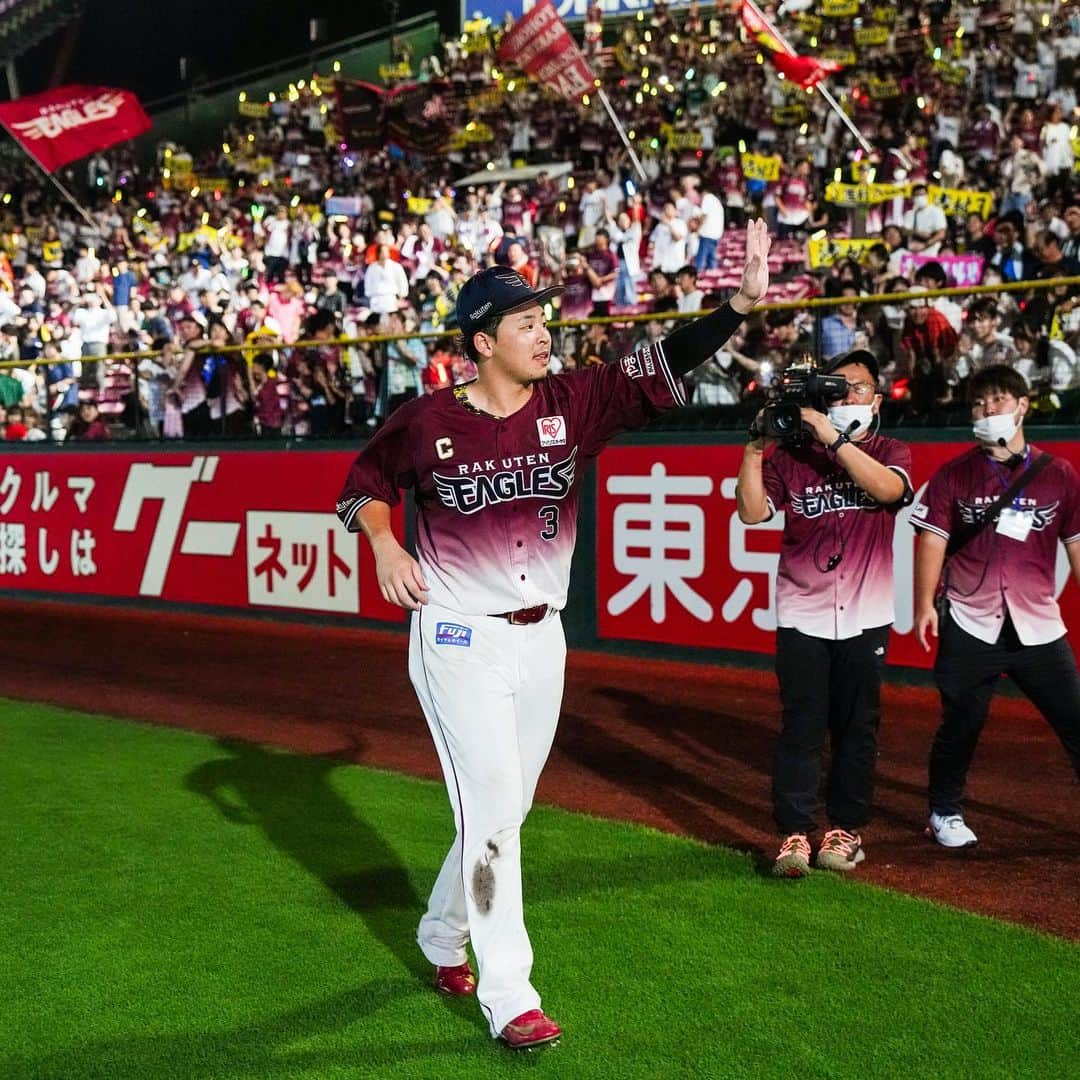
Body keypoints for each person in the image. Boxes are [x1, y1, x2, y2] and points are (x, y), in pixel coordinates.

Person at [336, 222, 771, 1049]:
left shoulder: (574, 401)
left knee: (510, 805)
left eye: (547, 322)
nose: (545, 334)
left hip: (544, 638)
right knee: (496, 811)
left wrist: (737, 306)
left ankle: (438, 935)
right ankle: (510, 995)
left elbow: (664, 363)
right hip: (459, 635)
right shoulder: (427, 420)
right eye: (527, 323)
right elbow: (360, 488)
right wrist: (387, 543)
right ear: (481, 341)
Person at [735, 349, 913, 878]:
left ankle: (844, 828)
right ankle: (794, 832)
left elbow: (889, 490)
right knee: (801, 725)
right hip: (802, 609)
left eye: (857, 387)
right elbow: (751, 513)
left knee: (857, 727)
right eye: (838, 389)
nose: (847, 397)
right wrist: (753, 449)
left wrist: (830, 438)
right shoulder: (792, 457)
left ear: (876, 398)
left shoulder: (890, 449)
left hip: (866, 610)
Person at [911, 365, 1080, 848]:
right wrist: (925, 602)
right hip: (970, 619)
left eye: (999, 400)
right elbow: (931, 541)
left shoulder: (1060, 474)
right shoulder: (953, 475)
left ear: (1023, 404)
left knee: (1076, 720)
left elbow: (1076, 544)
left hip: (1038, 625)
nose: (988, 411)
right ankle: (944, 811)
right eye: (979, 404)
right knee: (961, 724)